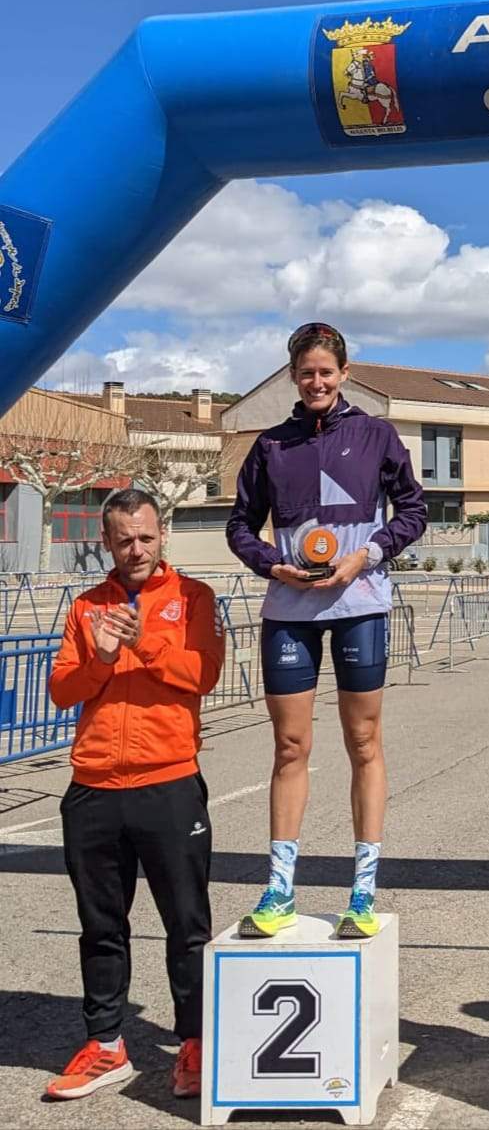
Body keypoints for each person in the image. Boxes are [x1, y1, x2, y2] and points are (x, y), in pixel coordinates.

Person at [227, 322, 426, 939]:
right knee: (290, 748)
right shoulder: (271, 446)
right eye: (306, 372)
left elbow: (414, 511)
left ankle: (362, 891)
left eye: (326, 372)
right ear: (294, 375)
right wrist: (271, 563)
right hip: (290, 611)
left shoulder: (376, 434)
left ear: (344, 372)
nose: (316, 382)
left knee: (363, 743)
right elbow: (240, 526)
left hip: (360, 605)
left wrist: (367, 555)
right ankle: (279, 889)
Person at [47, 489, 224, 1101]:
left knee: (187, 925)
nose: (136, 549)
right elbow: (63, 691)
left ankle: (196, 1043)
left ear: (163, 532)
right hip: (93, 787)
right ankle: (105, 1046)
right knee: (100, 927)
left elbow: (202, 675)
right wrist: (99, 655)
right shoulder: (85, 605)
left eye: (146, 537)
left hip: (168, 783)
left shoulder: (193, 598)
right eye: (124, 539)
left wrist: (142, 640)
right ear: (106, 541)